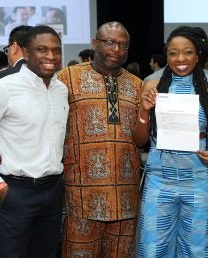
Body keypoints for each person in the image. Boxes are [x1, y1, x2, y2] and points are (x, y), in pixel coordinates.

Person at [134, 25, 208, 257]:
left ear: (198, 56)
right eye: (173, 53)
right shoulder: (152, 88)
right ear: (167, 56)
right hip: (159, 181)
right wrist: (144, 112)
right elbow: (139, 139)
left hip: (199, 180)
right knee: (152, 250)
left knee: (198, 251)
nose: (180, 58)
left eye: (187, 52)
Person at [57, 21, 142, 257]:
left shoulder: (137, 85)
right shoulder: (67, 78)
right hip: (82, 194)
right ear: (95, 43)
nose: (117, 49)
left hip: (124, 195)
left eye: (123, 45)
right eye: (111, 42)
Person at [0, 25, 68, 258]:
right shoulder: (5, 87)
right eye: (42, 50)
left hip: (53, 191)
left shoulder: (61, 90)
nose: (51, 56)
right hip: (15, 193)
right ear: (26, 53)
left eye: (56, 51)